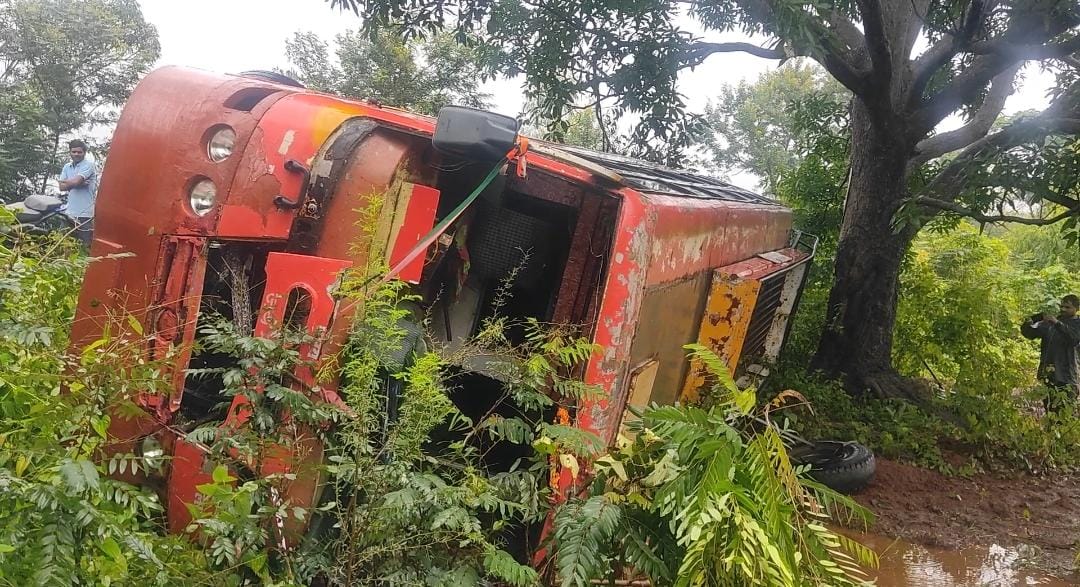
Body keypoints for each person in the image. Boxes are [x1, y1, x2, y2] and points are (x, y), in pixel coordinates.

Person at [1021, 294, 1080, 412]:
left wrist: (1057, 323)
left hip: (1067, 377)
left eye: (1067, 307)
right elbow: (1029, 333)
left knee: (1066, 414)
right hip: (1048, 375)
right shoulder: (1050, 324)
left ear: (1076, 309)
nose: (1063, 309)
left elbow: (1074, 338)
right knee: (1050, 413)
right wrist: (1034, 319)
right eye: (1062, 306)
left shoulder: (1076, 324)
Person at [58, 139, 98, 248]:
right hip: (69, 213)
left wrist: (70, 182)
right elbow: (61, 187)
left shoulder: (89, 165)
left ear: (84, 153)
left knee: (84, 248)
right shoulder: (67, 167)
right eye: (74, 152)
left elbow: (74, 182)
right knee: (61, 245)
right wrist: (79, 183)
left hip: (85, 214)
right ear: (70, 152)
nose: (76, 154)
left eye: (79, 152)